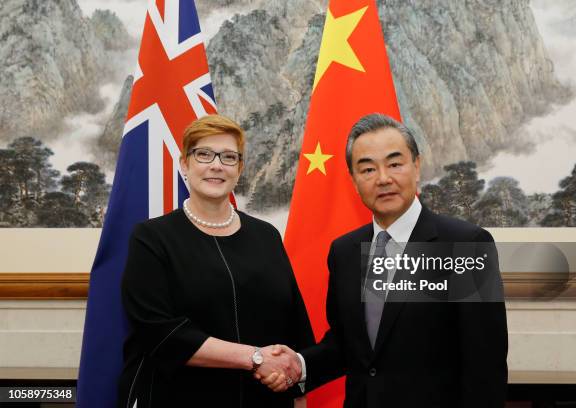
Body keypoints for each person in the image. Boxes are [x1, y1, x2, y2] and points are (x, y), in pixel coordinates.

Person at [260, 113, 508, 407]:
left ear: (417, 166)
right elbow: (348, 345)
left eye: (394, 164)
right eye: (367, 169)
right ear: (353, 180)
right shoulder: (345, 251)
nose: (383, 179)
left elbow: (485, 364)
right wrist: (299, 365)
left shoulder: (464, 245)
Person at [117, 114, 313, 408]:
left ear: (239, 168)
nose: (216, 165)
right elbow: (159, 332)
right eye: (204, 154)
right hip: (179, 399)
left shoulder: (267, 236)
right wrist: (255, 358)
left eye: (228, 157)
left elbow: (294, 325)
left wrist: (298, 391)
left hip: (265, 400)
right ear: (185, 164)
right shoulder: (151, 238)